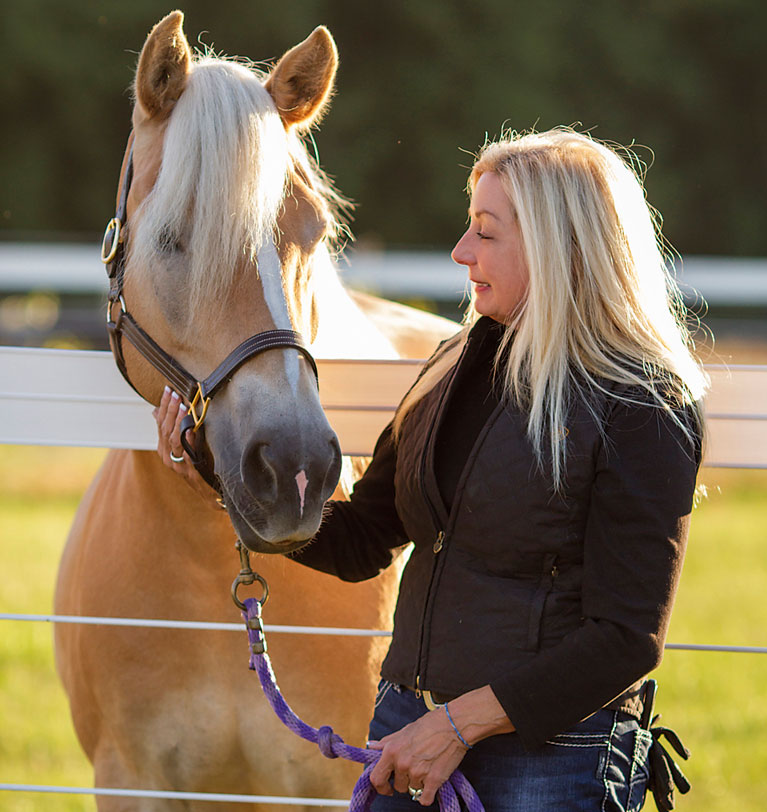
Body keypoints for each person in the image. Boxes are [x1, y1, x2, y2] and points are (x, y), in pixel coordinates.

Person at [154, 127, 706, 812]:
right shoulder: (452, 367)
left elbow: (626, 638)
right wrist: (217, 471)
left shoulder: (642, 405)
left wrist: (456, 725)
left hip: (552, 755)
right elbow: (361, 540)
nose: (461, 251)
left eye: (486, 232)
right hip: (407, 730)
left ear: (560, 245)